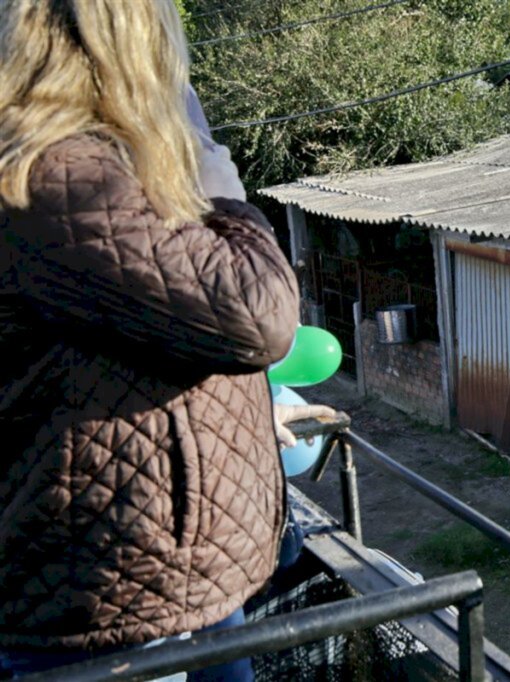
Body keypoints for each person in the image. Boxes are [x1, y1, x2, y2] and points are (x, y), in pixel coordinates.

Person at [0, 1, 300, 679]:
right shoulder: (59, 179)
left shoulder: (97, 167)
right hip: (113, 611)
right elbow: (257, 316)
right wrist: (220, 189)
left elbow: (148, 333)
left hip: (154, 584)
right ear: (128, 44)